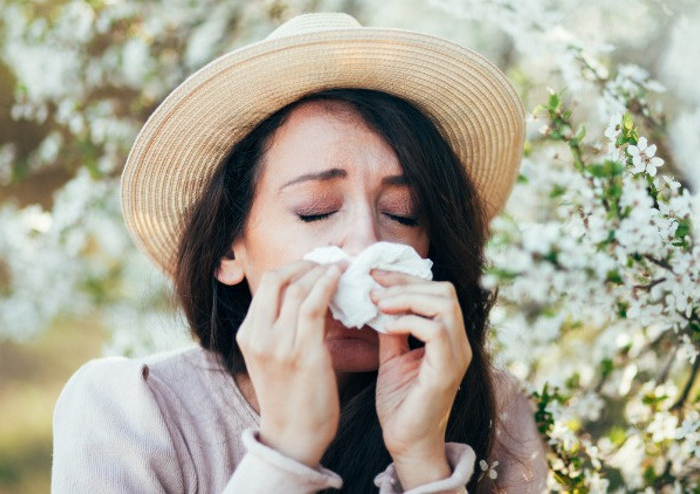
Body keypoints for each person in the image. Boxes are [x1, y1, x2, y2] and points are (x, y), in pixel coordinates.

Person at [52, 12, 546, 494]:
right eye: (315, 211)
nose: (367, 244)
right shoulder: (128, 414)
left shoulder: (497, 415)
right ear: (227, 249)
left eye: (402, 212)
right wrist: (285, 454)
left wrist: (423, 461)